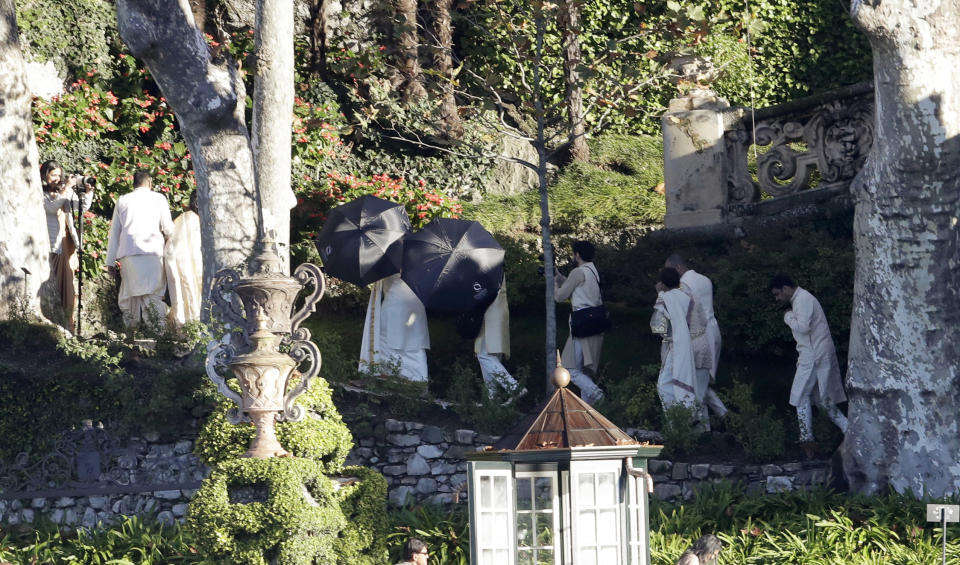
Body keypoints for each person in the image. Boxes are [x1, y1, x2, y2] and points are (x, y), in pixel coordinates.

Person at [769, 275, 848, 445]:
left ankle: (806, 439)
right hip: (813, 353)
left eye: (777, 294)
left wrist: (787, 317)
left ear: (785, 288)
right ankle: (848, 430)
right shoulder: (800, 300)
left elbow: (803, 327)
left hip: (813, 355)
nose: (777, 298)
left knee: (799, 395)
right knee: (822, 401)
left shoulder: (803, 299)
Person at [105, 170, 174, 329]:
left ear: (133, 183)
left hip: (128, 255)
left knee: (130, 296)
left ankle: (130, 334)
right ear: (149, 182)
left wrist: (110, 262)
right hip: (152, 254)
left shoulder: (122, 200)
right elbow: (168, 228)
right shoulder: (158, 198)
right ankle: (158, 334)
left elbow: (114, 233)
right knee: (154, 295)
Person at [665, 254, 729, 422]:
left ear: (678, 268)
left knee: (696, 385)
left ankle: (706, 426)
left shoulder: (683, 285)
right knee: (702, 382)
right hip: (713, 331)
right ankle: (722, 416)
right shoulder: (704, 279)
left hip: (698, 336)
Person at [41, 159, 95, 330]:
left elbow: (82, 207)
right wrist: (66, 189)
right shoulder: (39, 192)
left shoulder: (64, 192)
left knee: (68, 290)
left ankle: (67, 326)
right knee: (52, 287)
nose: (57, 179)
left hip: (65, 246)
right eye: (53, 175)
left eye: (59, 175)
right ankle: (51, 324)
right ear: (45, 175)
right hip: (47, 246)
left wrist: (87, 192)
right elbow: (50, 207)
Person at [554, 241, 605, 404]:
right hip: (594, 322)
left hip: (581, 323)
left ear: (577, 254)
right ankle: (589, 411)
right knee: (585, 371)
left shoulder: (578, 272)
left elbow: (560, 296)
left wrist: (555, 282)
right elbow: (578, 290)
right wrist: (561, 278)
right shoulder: (593, 271)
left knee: (570, 368)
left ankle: (598, 395)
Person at [359, 273, 430, 381]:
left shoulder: (390, 258)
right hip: (413, 302)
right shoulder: (425, 258)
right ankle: (418, 379)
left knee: (387, 339)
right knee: (413, 344)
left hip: (397, 303)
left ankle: (412, 379)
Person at [652, 267, 698, 415]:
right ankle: (684, 417)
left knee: (664, 385)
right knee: (681, 381)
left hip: (675, 344)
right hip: (687, 343)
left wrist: (660, 294)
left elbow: (658, 326)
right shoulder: (687, 296)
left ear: (663, 283)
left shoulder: (665, 298)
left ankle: (678, 421)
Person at [474, 277, 522, 399]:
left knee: (483, 354)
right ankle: (492, 401)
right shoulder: (496, 262)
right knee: (493, 354)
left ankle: (514, 387)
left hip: (490, 313)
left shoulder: (485, 264)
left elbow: (482, 290)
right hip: (498, 311)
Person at [163, 190, 203, 326]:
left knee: (182, 294)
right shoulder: (203, 223)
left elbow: (169, 247)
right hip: (197, 264)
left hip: (179, 264)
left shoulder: (180, 219)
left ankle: (184, 325)